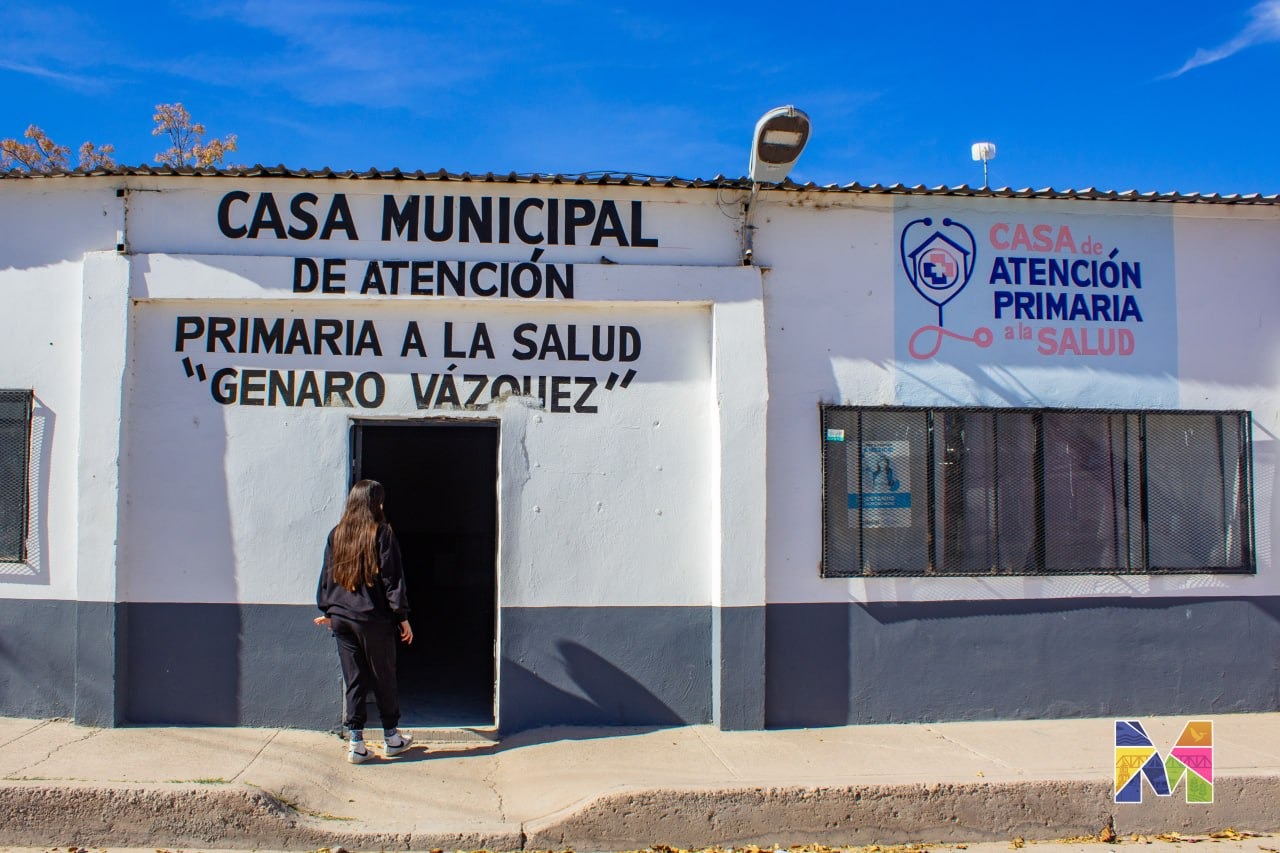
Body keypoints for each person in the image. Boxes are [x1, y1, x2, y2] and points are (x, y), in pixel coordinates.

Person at [314, 479, 415, 764]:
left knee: (354, 678)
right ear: (375, 503)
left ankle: (356, 743)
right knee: (383, 676)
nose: (382, 505)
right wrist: (402, 616)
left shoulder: (337, 534)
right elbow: (391, 578)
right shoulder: (381, 533)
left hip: (341, 618)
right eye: (380, 500)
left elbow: (327, 575)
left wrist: (328, 609)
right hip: (373, 619)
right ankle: (392, 738)